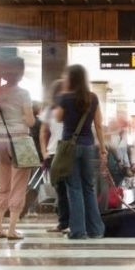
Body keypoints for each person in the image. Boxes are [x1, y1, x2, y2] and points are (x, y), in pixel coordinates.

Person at [54, 64, 106, 240]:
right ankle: (96, 230)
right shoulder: (93, 98)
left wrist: (63, 95)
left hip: (70, 147)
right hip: (88, 146)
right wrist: (103, 148)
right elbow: (98, 124)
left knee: (74, 188)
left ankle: (78, 231)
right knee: (89, 188)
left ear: (70, 79)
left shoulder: (64, 98)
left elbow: (58, 118)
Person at [0, 58, 35, 240]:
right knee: (18, 185)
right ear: (20, 73)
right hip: (20, 140)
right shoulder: (24, 93)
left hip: (0, 140)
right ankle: (12, 230)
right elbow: (30, 121)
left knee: (3, 185)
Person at [40, 79, 69, 234]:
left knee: (71, 188)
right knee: (60, 190)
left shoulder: (72, 106)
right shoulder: (50, 110)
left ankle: (72, 222)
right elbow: (43, 131)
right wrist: (44, 151)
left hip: (69, 151)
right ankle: (63, 222)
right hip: (53, 152)